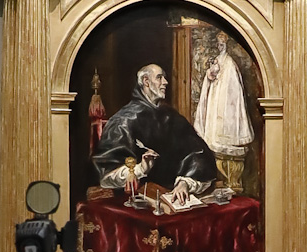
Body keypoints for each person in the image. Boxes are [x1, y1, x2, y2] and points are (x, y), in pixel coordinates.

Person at [92, 63, 217, 204]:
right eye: (159, 77)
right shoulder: (123, 121)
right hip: (140, 201)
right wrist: (141, 168)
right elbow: (107, 173)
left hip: (177, 198)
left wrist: (185, 182)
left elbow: (198, 152)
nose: (165, 82)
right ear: (146, 81)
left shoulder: (172, 117)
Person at [193, 31, 254, 193]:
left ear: (226, 45)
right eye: (218, 44)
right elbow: (210, 80)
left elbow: (234, 90)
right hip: (215, 102)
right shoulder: (217, 60)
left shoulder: (230, 64)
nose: (220, 47)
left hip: (226, 106)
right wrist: (209, 76)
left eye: (222, 44)